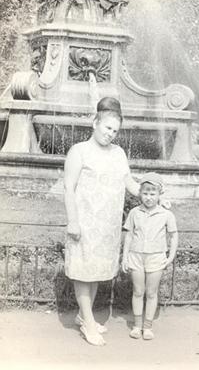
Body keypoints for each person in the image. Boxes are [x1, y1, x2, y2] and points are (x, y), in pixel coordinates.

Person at [64, 97, 139, 347]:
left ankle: (82, 315)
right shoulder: (79, 151)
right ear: (95, 123)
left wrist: (152, 192)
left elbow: (130, 183)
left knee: (94, 271)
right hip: (84, 223)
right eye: (107, 128)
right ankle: (87, 322)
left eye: (115, 131)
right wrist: (73, 221)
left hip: (107, 225)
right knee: (84, 273)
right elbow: (68, 188)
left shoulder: (118, 153)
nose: (111, 134)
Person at [122, 172, 178, 340]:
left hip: (155, 257)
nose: (148, 197)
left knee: (151, 292)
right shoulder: (134, 212)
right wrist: (125, 257)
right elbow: (130, 236)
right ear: (140, 193)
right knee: (138, 291)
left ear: (159, 194)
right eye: (145, 193)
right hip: (136, 256)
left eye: (152, 194)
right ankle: (137, 325)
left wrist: (171, 255)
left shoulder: (166, 214)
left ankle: (147, 327)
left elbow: (174, 235)